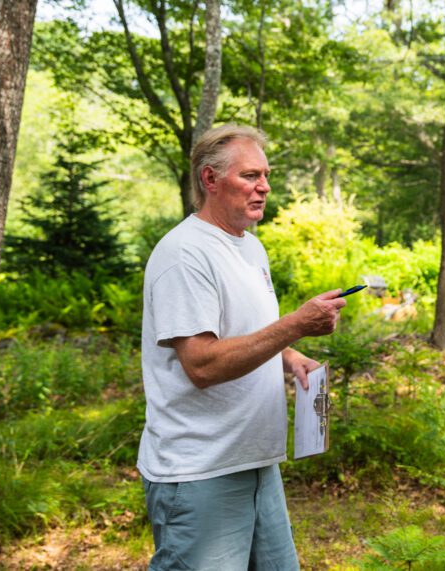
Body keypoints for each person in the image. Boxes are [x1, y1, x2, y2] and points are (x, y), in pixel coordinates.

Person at [137, 124, 346, 570]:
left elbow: (242, 329)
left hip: (255, 462)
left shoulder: (251, 248)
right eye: (250, 176)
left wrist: (289, 356)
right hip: (200, 470)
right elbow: (202, 364)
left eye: (265, 175)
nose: (264, 187)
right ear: (210, 180)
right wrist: (295, 326)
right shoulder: (184, 254)